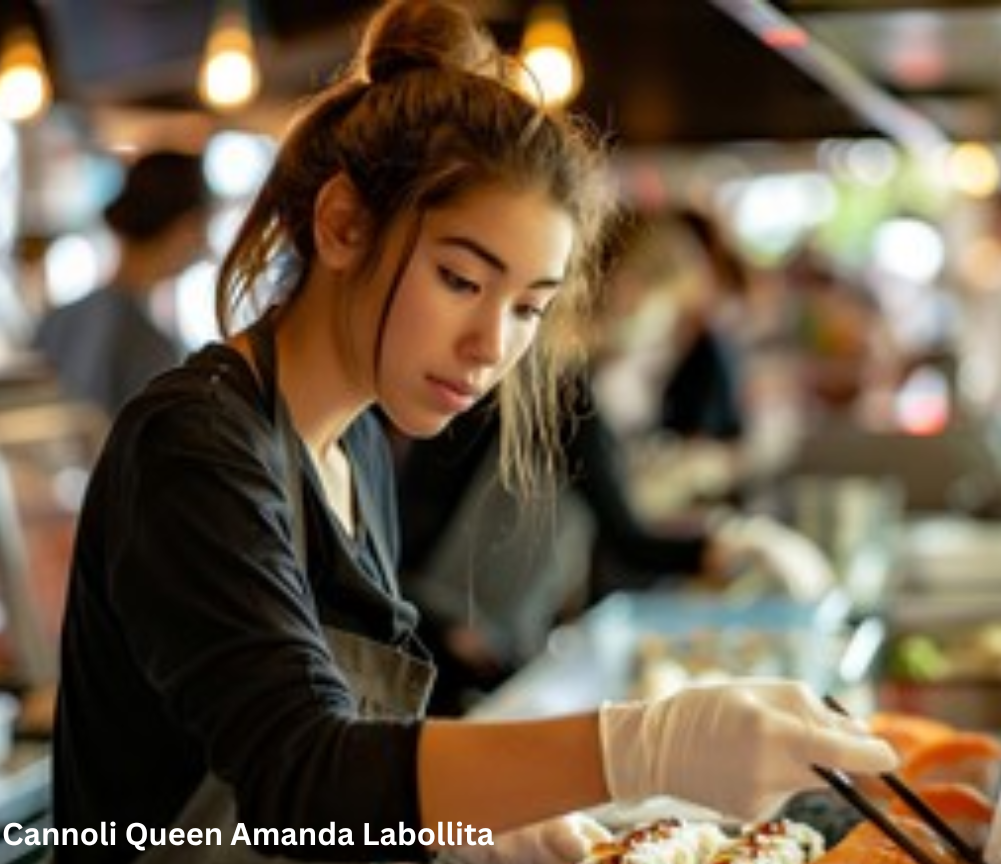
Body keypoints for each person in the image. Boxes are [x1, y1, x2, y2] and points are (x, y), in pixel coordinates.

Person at [52, 2, 898, 863]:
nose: (492, 347)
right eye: (460, 278)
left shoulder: (354, 451)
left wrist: (468, 828)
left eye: (528, 306)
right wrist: (638, 747)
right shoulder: (196, 445)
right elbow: (301, 772)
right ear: (343, 224)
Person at [32, 148, 210, 418]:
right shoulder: (149, 345)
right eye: (201, 229)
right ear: (185, 227)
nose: (204, 244)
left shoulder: (60, 318)